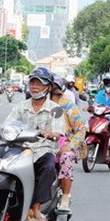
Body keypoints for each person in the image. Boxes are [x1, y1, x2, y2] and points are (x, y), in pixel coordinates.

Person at [0, 67, 65, 221]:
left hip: (42, 149)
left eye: (39, 84)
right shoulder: (20, 107)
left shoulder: (56, 109)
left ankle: (36, 207)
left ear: (48, 87)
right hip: (20, 149)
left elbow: (59, 132)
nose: (34, 86)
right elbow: (8, 124)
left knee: (48, 167)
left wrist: (52, 133)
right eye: (32, 83)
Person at [49, 73, 87, 213]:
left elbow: (80, 129)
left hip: (63, 144)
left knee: (65, 158)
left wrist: (69, 146)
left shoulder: (68, 105)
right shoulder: (34, 103)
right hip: (39, 143)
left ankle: (65, 197)